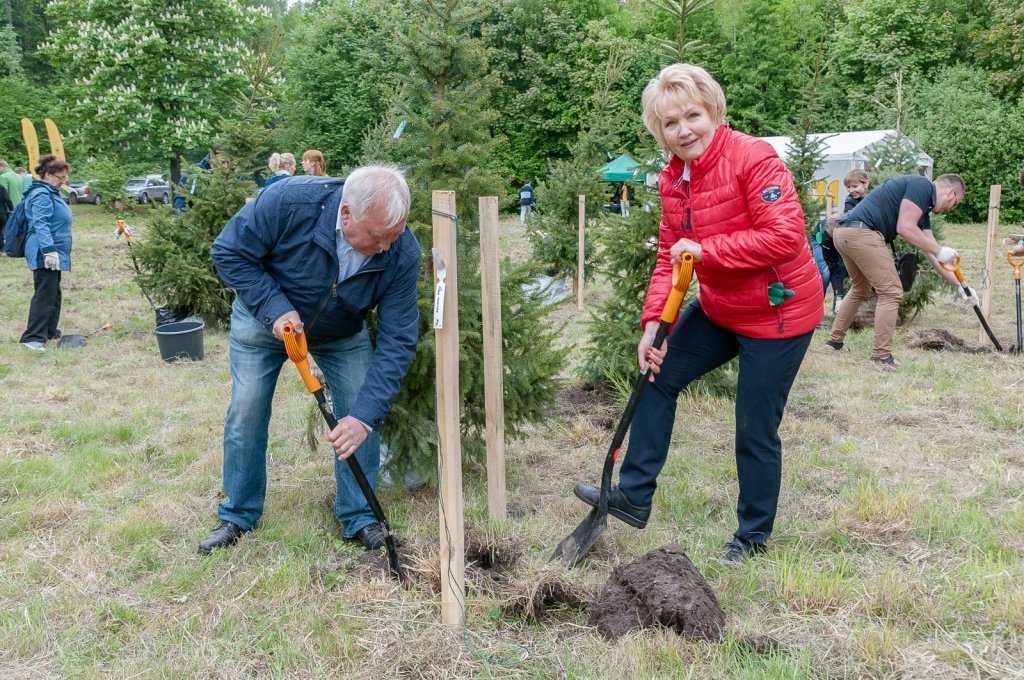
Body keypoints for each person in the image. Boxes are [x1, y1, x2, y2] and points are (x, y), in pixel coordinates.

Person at [572, 64, 823, 564]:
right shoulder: (673, 179)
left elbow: (785, 236)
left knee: (754, 427)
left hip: (779, 312)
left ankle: (751, 538)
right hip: (721, 307)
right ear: (659, 132)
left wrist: (705, 249)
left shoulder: (755, 159)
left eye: (693, 115)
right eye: (670, 123)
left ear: (713, 112)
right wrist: (652, 326)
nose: (684, 130)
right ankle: (633, 495)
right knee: (656, 374)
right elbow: (671, 254)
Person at [198, 165, 421, 555]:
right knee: (247, 409)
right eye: (377, 236)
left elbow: (398, 338)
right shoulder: (289, 201)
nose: (386, 247)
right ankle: (238, 514)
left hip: (340, 332)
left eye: (395, 235)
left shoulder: (400, 250)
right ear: (347, 213)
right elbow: (229, 251)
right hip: (263, 321)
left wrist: (364, 416)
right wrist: (274, 306)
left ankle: (360, 517)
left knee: (359, 411)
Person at [824, 174, 966, 367]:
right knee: (891, 292)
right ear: (950, 192)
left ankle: (834, 342)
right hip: (862, 233)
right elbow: (905, 228)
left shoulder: (922, 209)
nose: (951, 208)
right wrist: (940, 250)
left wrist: (959, 285)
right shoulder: (922, 185)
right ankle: (881, 357)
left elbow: (931, 251)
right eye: (955, 203)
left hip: (844, 233)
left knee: (859, 287)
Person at [19, 155, 73, 351]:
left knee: (53, 292)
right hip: (45, 251)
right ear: (48, 174)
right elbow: (40, 224)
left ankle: (49, 330)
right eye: (60, 178)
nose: (62, 182)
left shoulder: (50, 191)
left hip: (54, 249)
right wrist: (49, 251)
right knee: (44, 293)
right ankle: (33, 338)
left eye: (64, 178)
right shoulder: (41, 194)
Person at [821, 169, 872, 315]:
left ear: (866, 184)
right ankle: (826, 308)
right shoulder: (850, 201)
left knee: (845, 269)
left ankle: (840, 306)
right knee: (826, 273)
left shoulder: (873, 197)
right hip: (825, 241)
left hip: (845, 240)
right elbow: (833, 267)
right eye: (848, 187)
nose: (851, 190)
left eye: (854, 186)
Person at [173, 143, 227, 210]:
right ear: (212, 157)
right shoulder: (195, 172)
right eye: (222, 162)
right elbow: (180, 196)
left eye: (228, 162)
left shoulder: (235, 171)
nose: (225, 166)